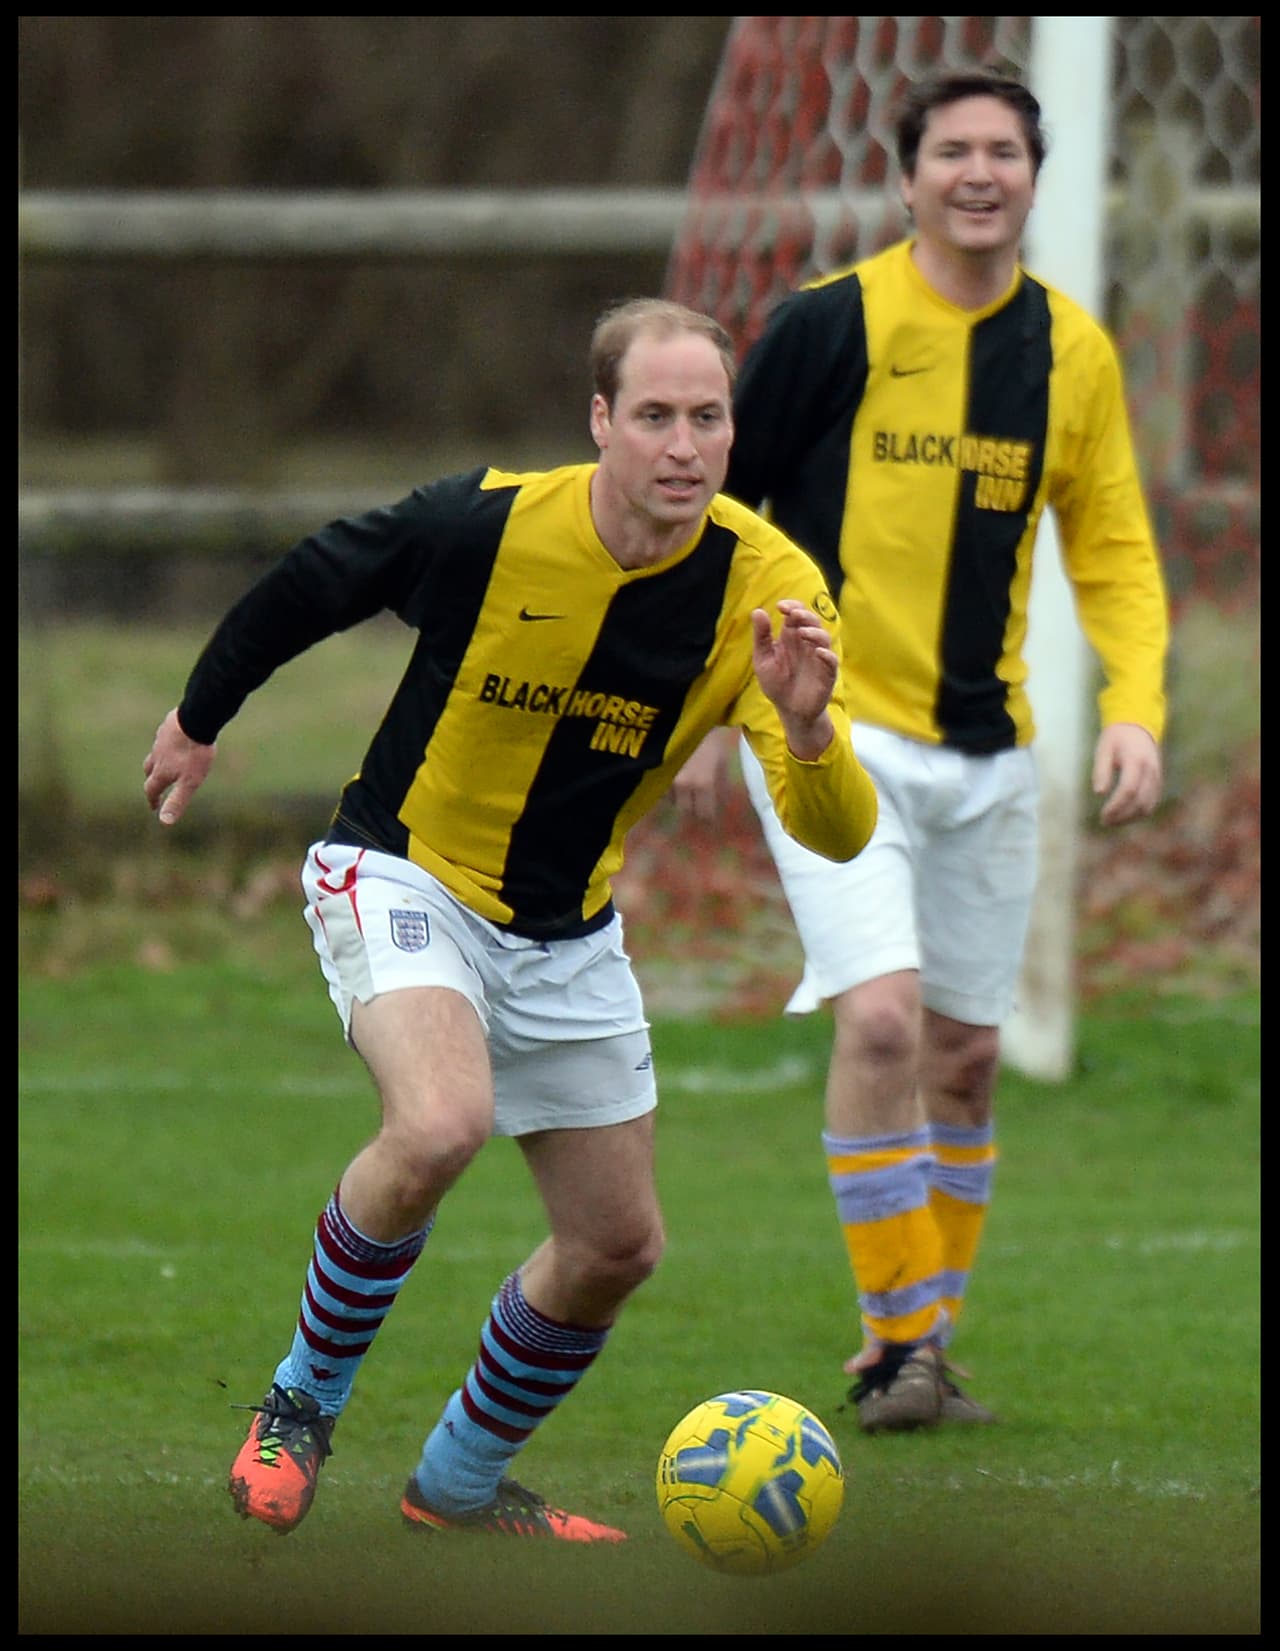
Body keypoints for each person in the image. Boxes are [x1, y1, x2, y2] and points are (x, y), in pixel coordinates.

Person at [142, 297, 878, 1540]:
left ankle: (459, 1483)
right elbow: (316, 579)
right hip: (404, 869)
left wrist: (806, 728)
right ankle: (298, 1404)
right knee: (440, 1122)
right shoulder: (484, 522)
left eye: (707, 418)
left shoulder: (768, 588)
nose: (683, 446)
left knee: (614, 1246)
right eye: (653, 416)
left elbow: (836, 831)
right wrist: (198, 717)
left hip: (567, 931)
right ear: (599, 420)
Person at [672, 68, 1169, 1434]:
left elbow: (1114, 546)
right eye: (952, 150)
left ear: (1033, 178)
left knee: (963, 1057)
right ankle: (898, 1343)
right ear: (905, 180)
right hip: (827, 733)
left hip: (988, 756)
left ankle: (922, 1343)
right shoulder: (828, 326)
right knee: (881, 1019)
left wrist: (1135, 704)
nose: (979, 172)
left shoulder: (1070, 354)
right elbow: (714, 518)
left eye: (1004, 151)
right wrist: (704, 707)